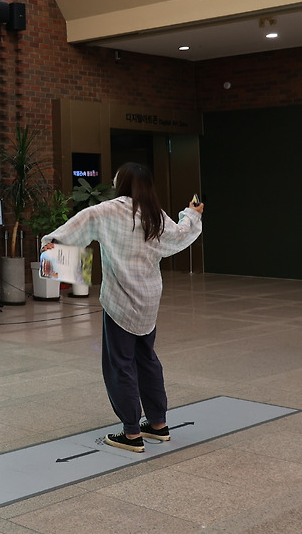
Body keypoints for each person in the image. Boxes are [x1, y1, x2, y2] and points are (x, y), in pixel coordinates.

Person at [40, 162, 204, 452]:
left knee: (120, 364)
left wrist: (51, 245)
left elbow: (72, 230)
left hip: (119, 301)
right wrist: (192, 213)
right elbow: (181, 235)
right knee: (147, 359)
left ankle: (131, 433)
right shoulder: (156, 214)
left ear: (121, 183)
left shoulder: (106, 211)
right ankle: (158, 424)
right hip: (149, 299)